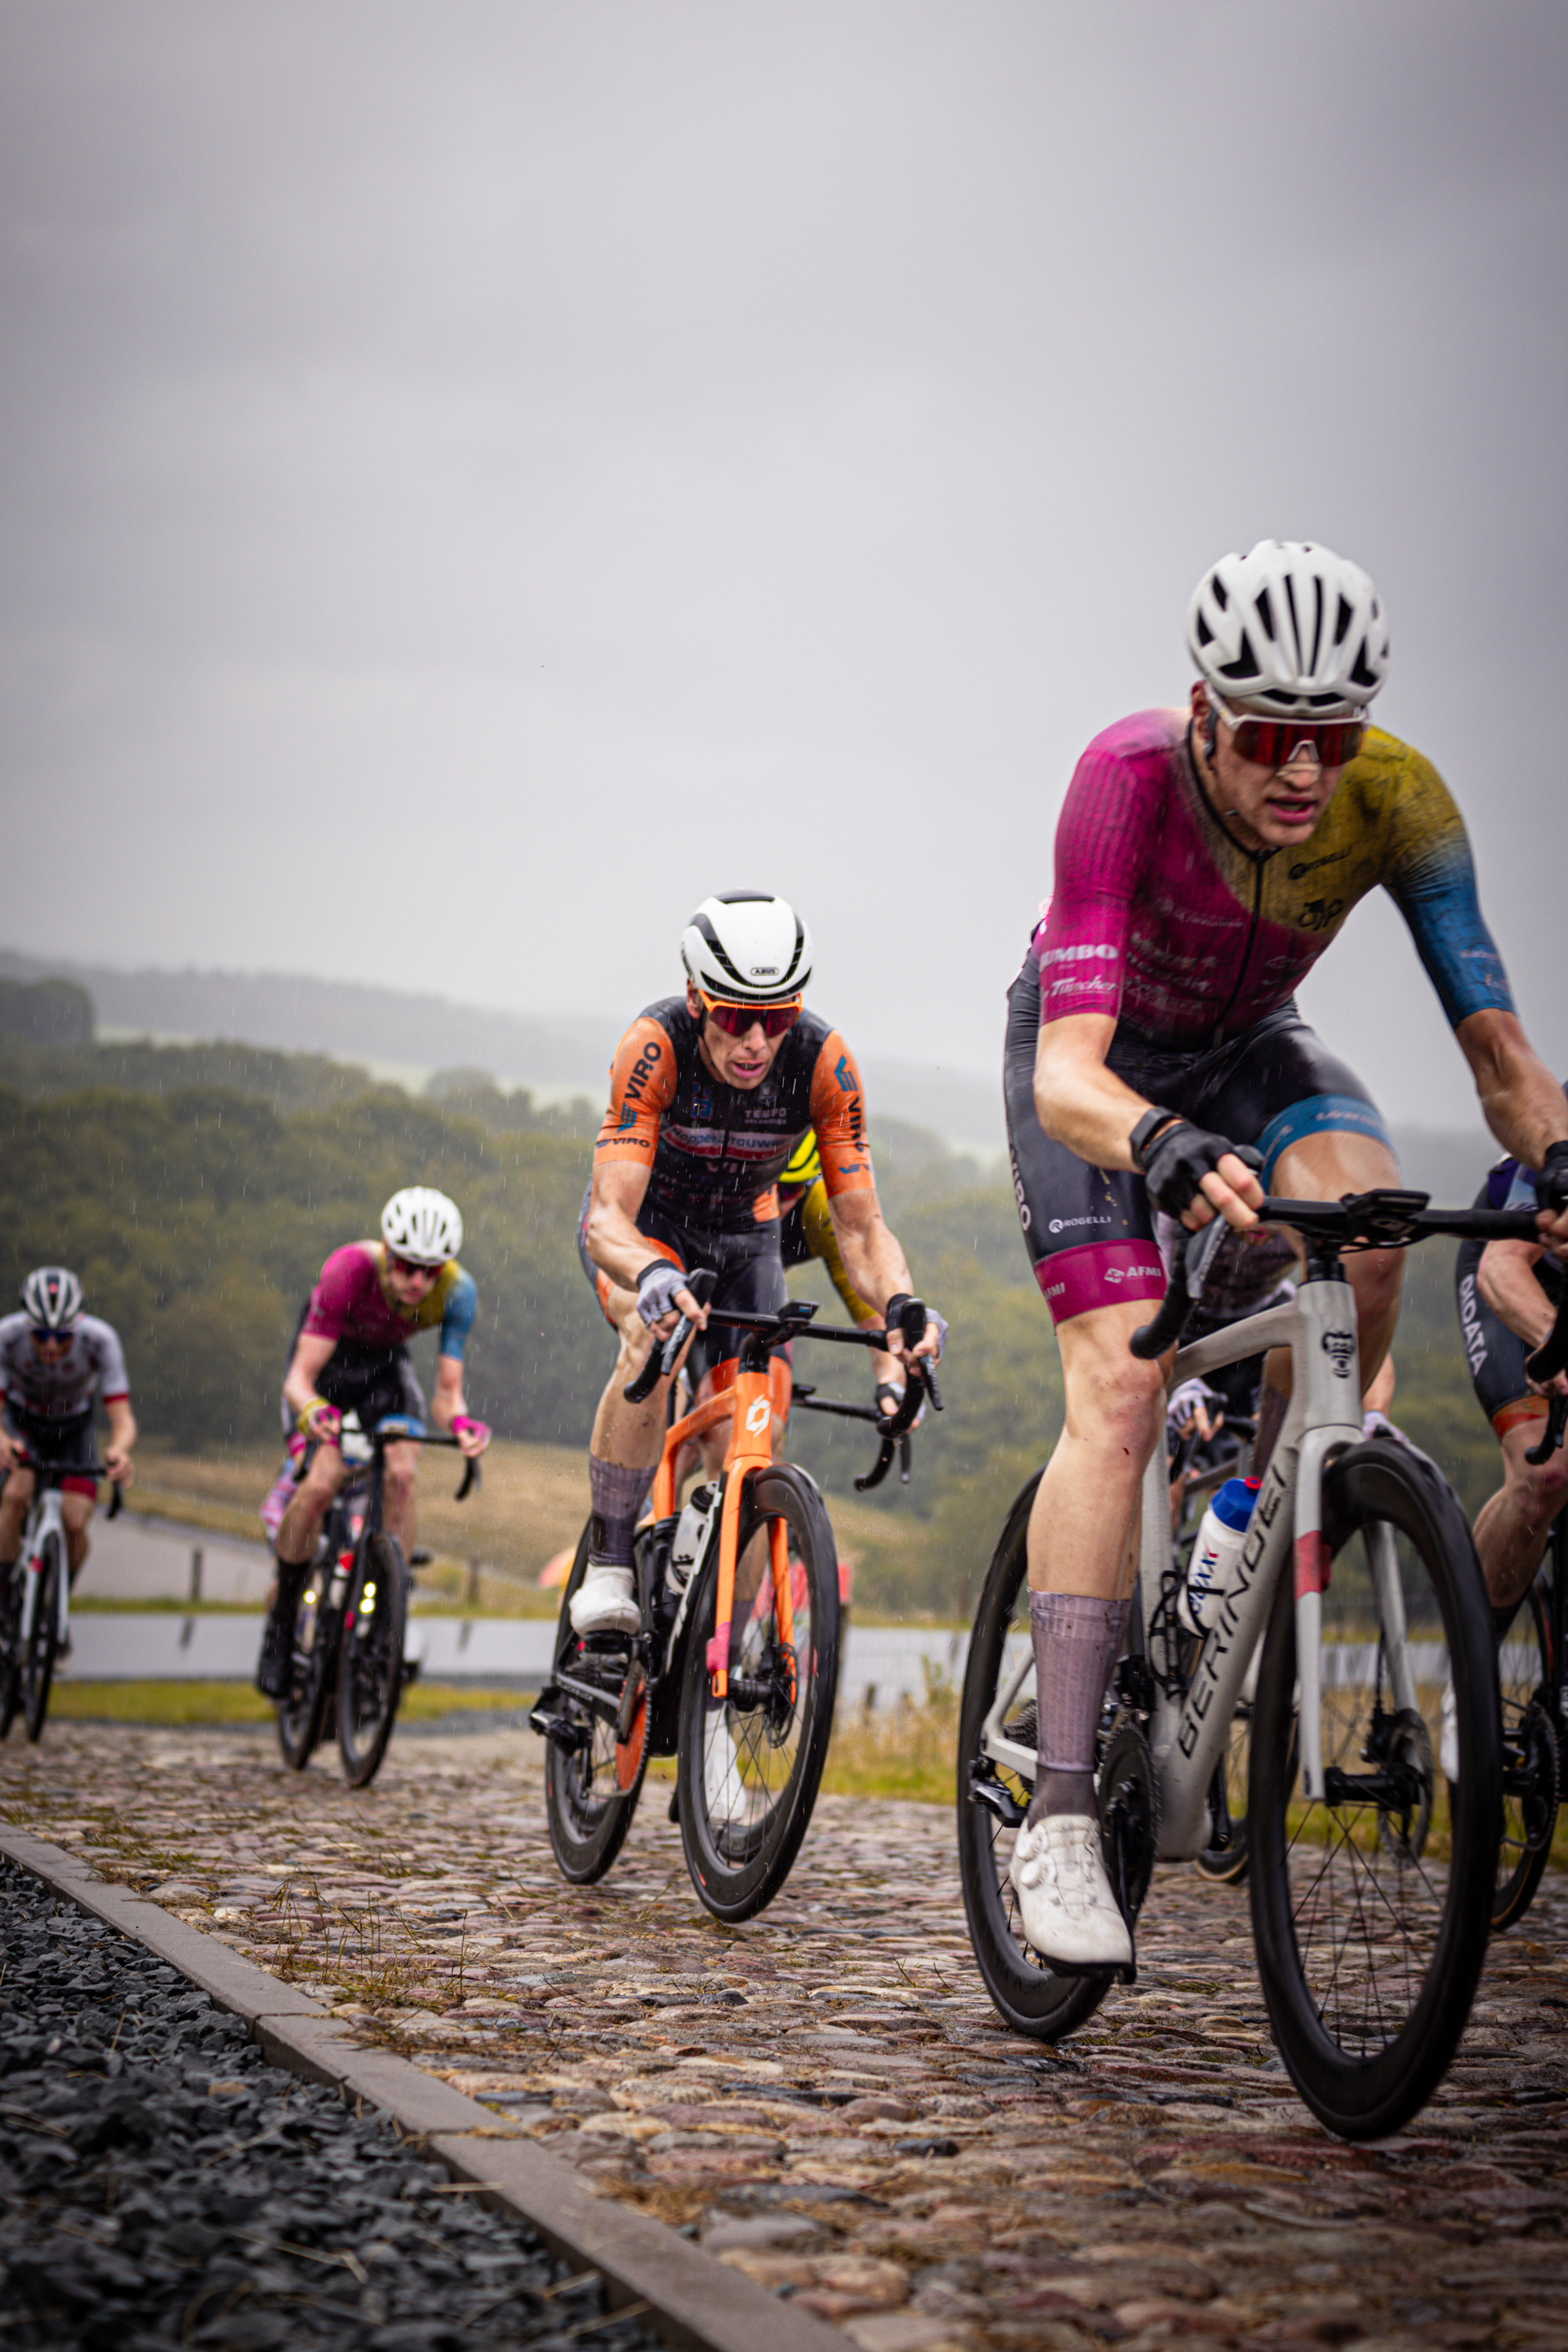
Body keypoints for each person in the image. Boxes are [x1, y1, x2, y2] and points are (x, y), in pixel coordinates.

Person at [1003, 538, 1568, 1968]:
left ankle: (1250, 1515)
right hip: (1102, 1069)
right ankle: (1061, 1811)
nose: (1305, 773)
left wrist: (1559, 1164)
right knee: (1121, 1396)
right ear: (1205, 715)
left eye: (1334, 737)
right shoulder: (1125, 782)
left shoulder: (1401, 801)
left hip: (1251, 1051)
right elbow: (1070, 1070)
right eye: (1270, 738)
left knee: (1372, 1216)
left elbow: (1496, 1049)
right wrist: (1157, 1143)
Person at [572, 890, 944, 1636]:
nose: (755, 1041)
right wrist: (649, 1275)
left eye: (776, 1018)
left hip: (748, 1239)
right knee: (653, 1341)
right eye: (735, 1016)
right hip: (650, 1235)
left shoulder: (823, 1060)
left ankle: (724, 1658)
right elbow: (608, 1216)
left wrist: (902, 1307)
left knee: (749, 1440)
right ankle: (611, 1564)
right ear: (694, 998)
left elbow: (860, 1229)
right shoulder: (655, 1046)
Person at [254, 1188, 491, 1699]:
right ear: (387, 1249)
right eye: (406, 1266)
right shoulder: (348, 1271)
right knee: (321, 1484)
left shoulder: (458, 1291)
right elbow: (299, 1377)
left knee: (402, 1476)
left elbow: (447, 1396)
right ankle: (282, 1622)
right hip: (328, 1372)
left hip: (385, 1373)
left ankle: (388, 1612)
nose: (416, 1282)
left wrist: (463, 1427)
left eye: (430, 1271)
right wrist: (315, 1410)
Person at [1452, 1099, 1568, 1764]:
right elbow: (1504, 1269)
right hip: (1510, 1270)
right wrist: (1552, 1346)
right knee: (1543, 1472)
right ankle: (1468, 1688)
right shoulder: (1557, 1126)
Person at [0, 1268, 136, 1630]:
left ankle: (55, 1606)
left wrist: (119, 1451)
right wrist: (2, 1441)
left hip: (74, 1430)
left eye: (61, 1337)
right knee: (15, 1497)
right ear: (26, 1325)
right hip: (22, 1424)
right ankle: (4, 1597)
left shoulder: (100, 1341)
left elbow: (122, 1419)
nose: (50, 1346)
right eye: (40, 1334)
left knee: (75, 1521)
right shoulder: (7, 1337)